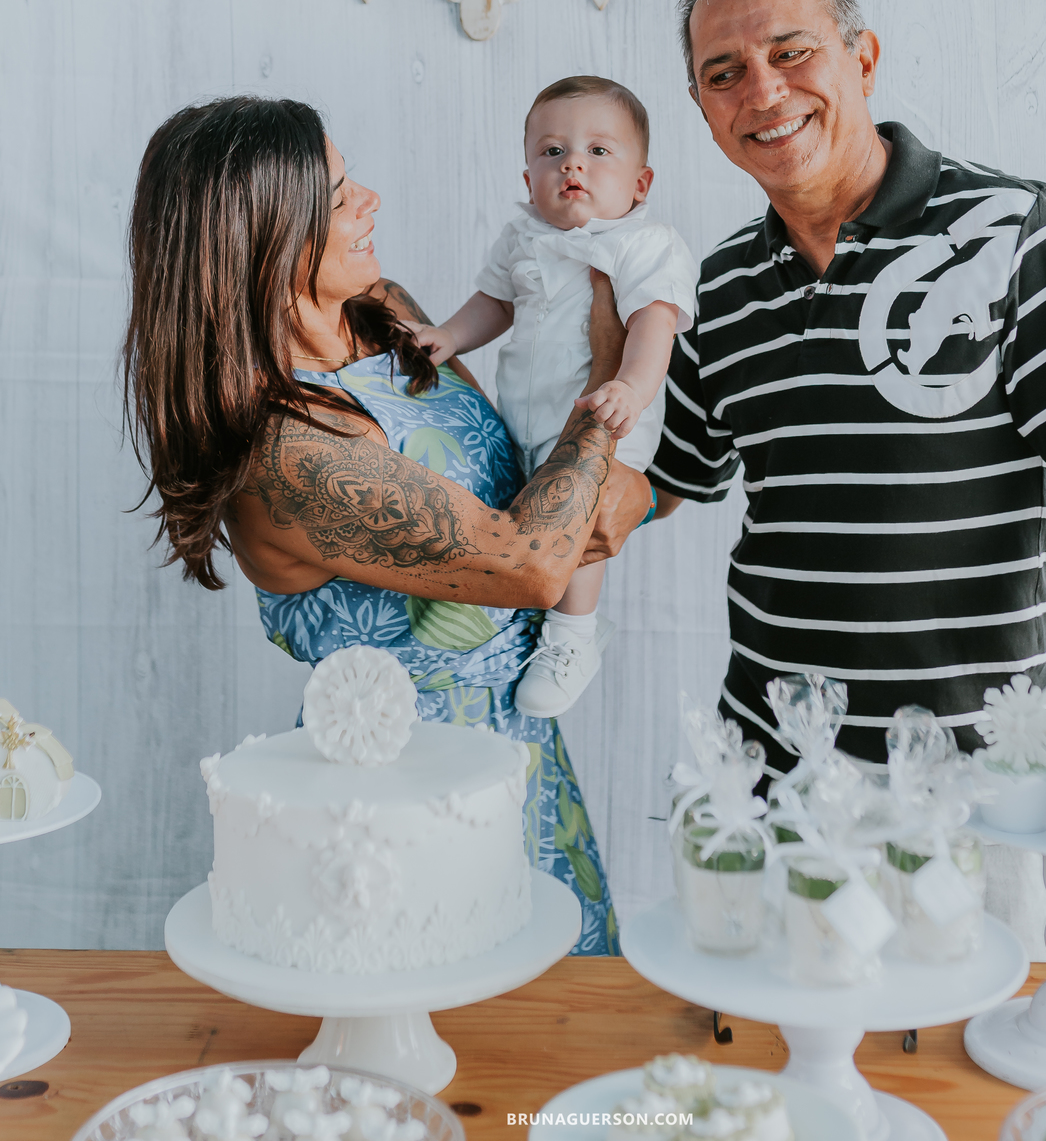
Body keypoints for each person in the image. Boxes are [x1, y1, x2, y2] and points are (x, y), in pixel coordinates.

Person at [648, 0, 1046, 975]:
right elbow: (661, 483)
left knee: (958, 1098)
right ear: (702, 105)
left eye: (792, 51)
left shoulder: (1009, 227)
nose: (762, 90)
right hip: (767, 797)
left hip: (978, 805)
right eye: (725, 73)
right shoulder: (713, 284)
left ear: (863, 57)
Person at [122, 96, 652, 956]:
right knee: (438, 1042)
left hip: (519, 744)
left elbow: (526, 480)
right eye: (337, 196)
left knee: (560, 1041)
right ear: (259, 236)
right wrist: (605, 371)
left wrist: (627, 487)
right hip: (401, 791)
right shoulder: (288, 448)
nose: (369, 199)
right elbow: (529, 561)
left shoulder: (381, 312)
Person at [412, 76, 696, 717]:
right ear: (528, 178)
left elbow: (654, 324)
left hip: (609, 414)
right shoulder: (522, 239)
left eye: (599, 151)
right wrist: (448, 336)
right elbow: (495, 302)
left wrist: (630, 385)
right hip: (525, 412)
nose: (572, 163)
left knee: (581, 518)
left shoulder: (645, 245)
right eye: (552, 151)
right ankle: (520, 618)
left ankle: (573, 636)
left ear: (640, 185)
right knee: (523, 515)